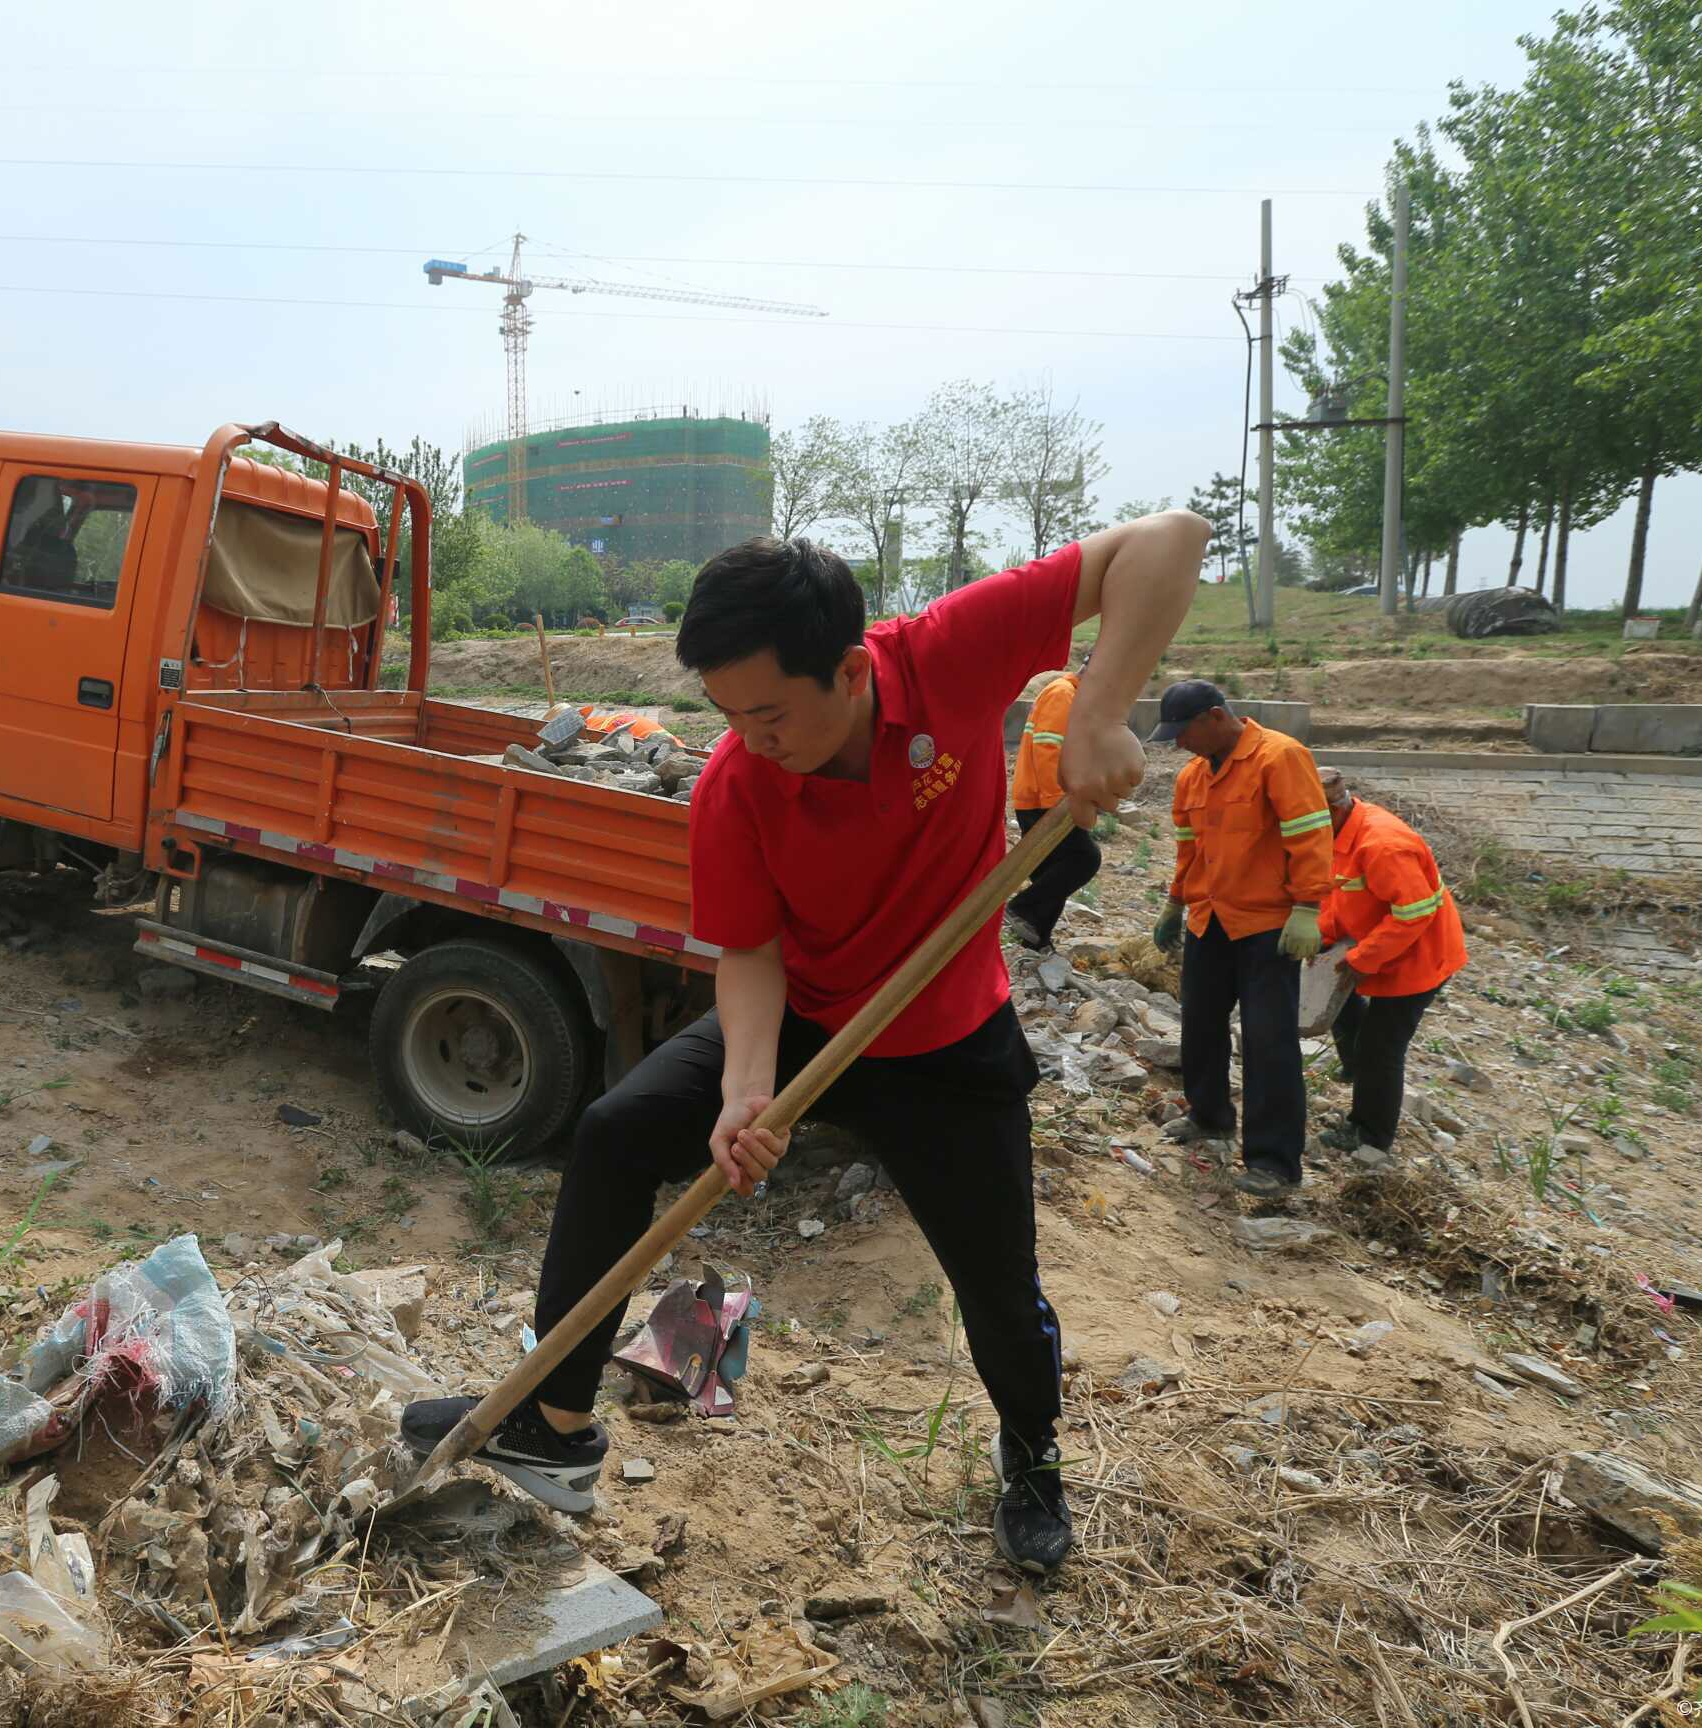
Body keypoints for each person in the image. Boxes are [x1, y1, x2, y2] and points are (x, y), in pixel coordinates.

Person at [400, 514, 1208, 1579]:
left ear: (849, 666)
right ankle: (552, 1425)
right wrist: (744, 1092)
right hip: (813, 1020)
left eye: (771, 710)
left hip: (949, 1039)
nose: (751, 735)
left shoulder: (948, 656)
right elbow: (748, 953)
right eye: (728, 712)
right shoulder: (736, 785)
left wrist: (1100, 713)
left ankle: (1032, 1459)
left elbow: (1172, 539)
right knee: (615, 1132)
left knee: (998, 1286)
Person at [1149, 681, 1332, 1198]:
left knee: (1268, 1039)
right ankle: (1210, 1117)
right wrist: (1175, 902)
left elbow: (1310, 833)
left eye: (1184, 732)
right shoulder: (1191, 777)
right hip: (1210, 919)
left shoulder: (1280, 757)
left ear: (1214, 716)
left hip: (1267, 925)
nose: (1179, 744)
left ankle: (1274, 1161)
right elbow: (1190, 849)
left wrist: (1307, 906)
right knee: (1200, 1023)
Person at [1314, 769, 1467, 1157]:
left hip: (1420, 958)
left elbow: (1414, 913)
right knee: (1346, 1007)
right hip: (1383, 944)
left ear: (1329, 811)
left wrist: (1362, 958)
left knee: (1381, 1047)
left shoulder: (1383, 844)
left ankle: (1370, 1135)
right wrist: (1322, 938)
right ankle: (1354, 1068)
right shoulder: (1339, 832)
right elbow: (1343, 892)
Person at [1006, 653, 1101, 951]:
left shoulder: (1073, 699)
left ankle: (1035, 939)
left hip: (1040, 798)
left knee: (1051, 873)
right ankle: (1021, 909)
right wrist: (1058, 806)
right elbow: (1048, 750)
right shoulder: (1063, 694)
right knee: (1084, 857)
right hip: (1042, 800)